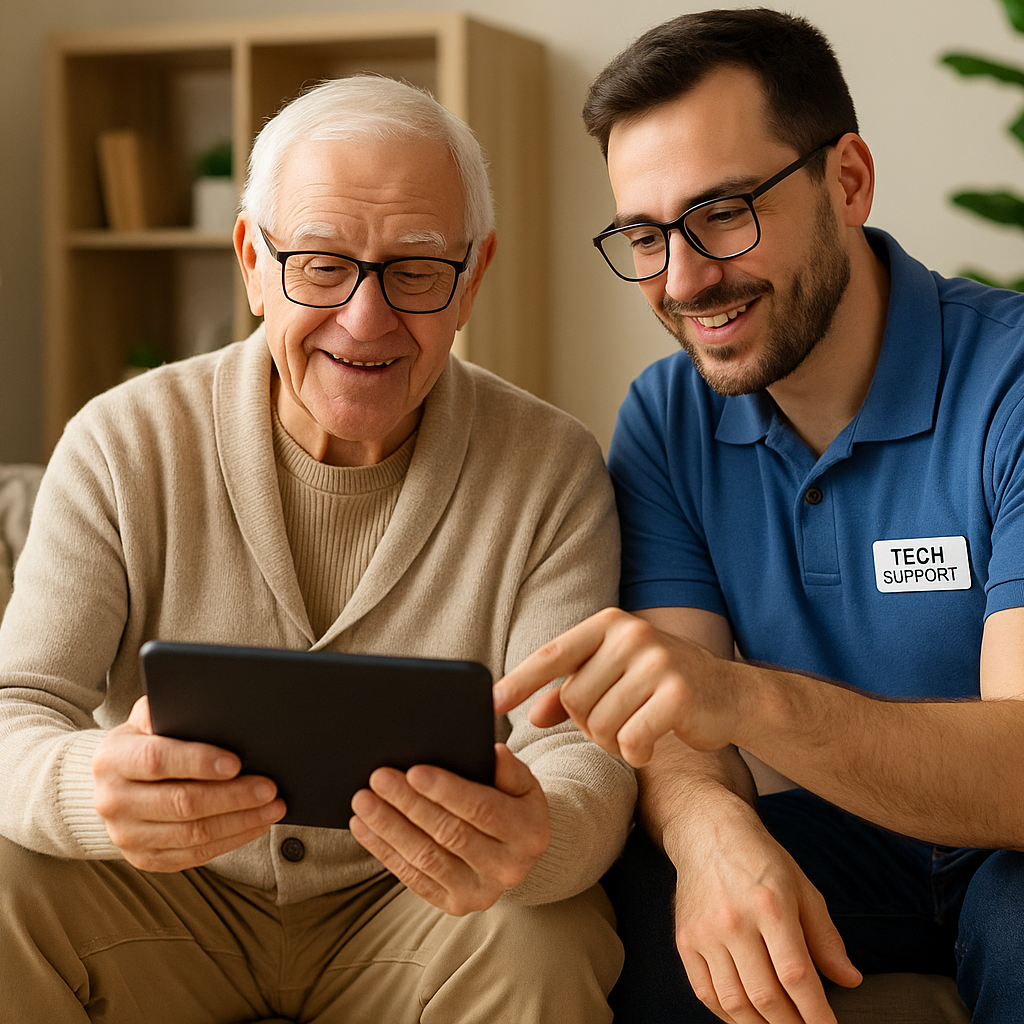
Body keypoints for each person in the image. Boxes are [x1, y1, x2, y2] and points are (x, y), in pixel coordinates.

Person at [0, 75, 636, 1023]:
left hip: (419, 915)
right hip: (160, 902)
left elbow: (581, 753)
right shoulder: (121, 440)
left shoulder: (551, 469)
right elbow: (18, 706)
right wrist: (91, 792)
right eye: (321, 264)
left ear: (474, 277)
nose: (366, 320)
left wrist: (534, 838)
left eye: (415, 271)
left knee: (554, 931)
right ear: (253, 261)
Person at [496, 8, 1024, 1023]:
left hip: (1007, 847)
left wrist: (739, 699)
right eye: (644, 237)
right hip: (850, 837)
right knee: (639, 907)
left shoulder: (1006, 382)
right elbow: (675, 727)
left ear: (848, 182)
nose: (683, 279)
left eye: (724, 211)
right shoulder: (666, 418)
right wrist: (709, 834)